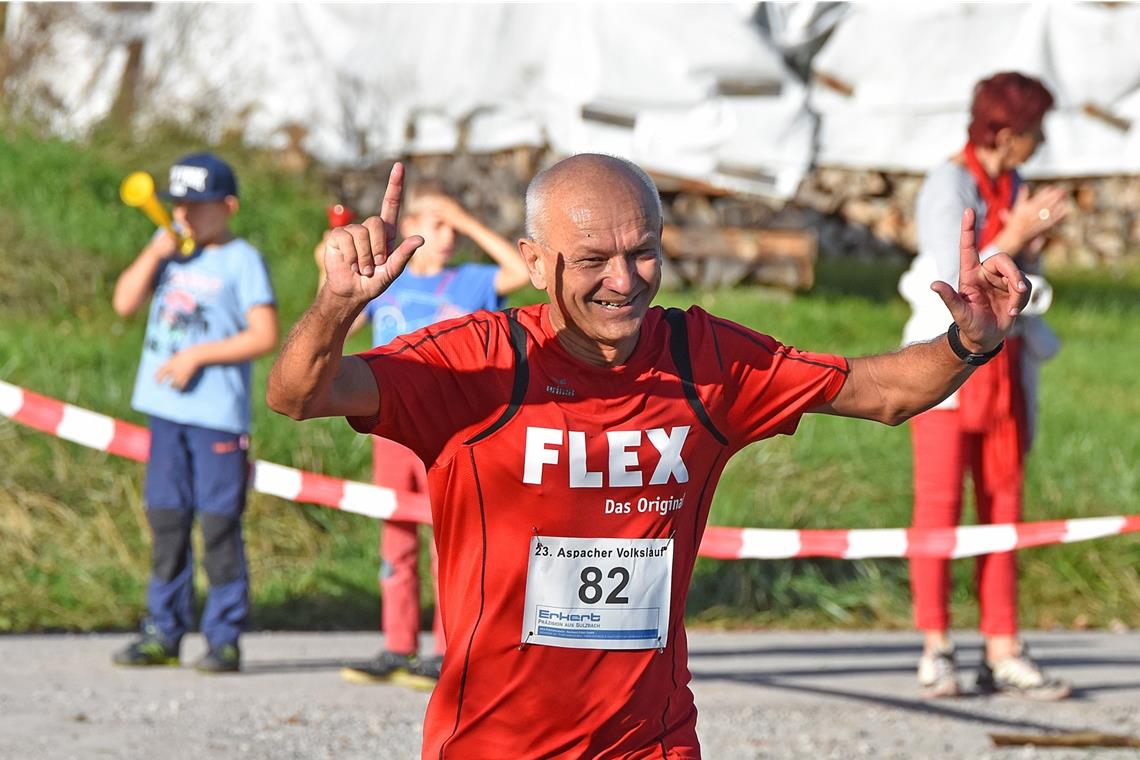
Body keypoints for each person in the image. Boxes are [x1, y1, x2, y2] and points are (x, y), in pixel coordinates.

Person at [267, 154, 1030, 757]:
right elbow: (298, 394)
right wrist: (336, 305)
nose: (624, 281)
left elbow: (879, 393)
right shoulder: (480, 364)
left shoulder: (701, 361)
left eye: (643, 253)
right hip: (493, 743)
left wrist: (971, 341)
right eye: (593, 258)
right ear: (534, 262)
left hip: (649, 744)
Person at [898, 72, 1072, 702]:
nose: (1041, 142)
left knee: (1004, 509)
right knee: (939, 506)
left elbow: (1028, 282)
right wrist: (1019, 236)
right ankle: (935, 645)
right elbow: (954, 278)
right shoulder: (949, 183)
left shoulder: (1016, 186)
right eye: (1034, 131)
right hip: (950, 367)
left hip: (1006, 372)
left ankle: (1002, 645)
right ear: (1006, 132)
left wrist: (1034, 247)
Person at [325, 182, 531, 687]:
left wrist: (462, 216)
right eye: (435, 225)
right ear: (408, 228)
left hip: (454, 433)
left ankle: (449, 649)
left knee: (452, 542)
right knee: (395, 537)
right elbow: (334, 331)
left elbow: (523, 272)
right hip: (392, 432)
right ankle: (398, 645)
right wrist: (330, 279)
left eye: (450, 227)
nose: (447, 236)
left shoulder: (471, 281)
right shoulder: (387, 285)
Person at [111, 153, 278, 673]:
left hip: (217, 419)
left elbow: (264, 334)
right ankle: (163, 629)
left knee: (219, 523)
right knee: (166, 520)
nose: (184, 215)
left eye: (197, 206)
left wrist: (197, 355)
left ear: (227, 207)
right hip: (166, 415)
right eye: (179, 205)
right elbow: (122, 303)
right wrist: (153, 251)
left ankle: (224, 637)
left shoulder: (241, 259)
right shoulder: (170, 256)